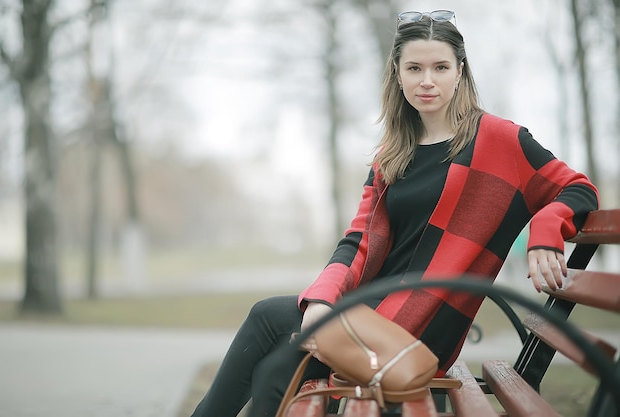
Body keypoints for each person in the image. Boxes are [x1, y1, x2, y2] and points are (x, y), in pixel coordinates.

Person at [190, 9, 599, 417]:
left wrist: (547, 229)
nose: (427, 80)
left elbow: (578, 188)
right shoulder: (393, 153)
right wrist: (321, 299)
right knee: (274, 370)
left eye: (440, 67)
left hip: (423, 326)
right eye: (414, 68)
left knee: (268, 322)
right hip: (371, 313)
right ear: (397, 74)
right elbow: (358, 242)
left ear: (460, 71)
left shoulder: (500, 140)